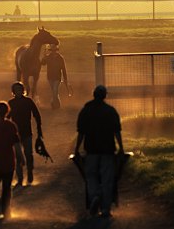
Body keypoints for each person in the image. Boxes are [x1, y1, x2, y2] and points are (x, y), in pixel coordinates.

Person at [74, 85, 124, 218]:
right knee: (107, 178)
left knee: (91, 176)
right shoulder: (110, 111)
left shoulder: (86, 110)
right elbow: (117, 131)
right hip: (107, 149)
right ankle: (106, 208)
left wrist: (77, 149)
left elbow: (81, 132)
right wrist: (121, 148)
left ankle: (95, 195)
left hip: (91, 150)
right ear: (105, 96)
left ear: (93, 95)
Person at [7, 81, 43, 187]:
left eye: (20, 89)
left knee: (28, 155)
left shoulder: (28, 101)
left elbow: (37, 115)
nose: (18, 91)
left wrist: (39, 129)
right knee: (18, 156)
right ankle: (20, 178)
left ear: (23, 91)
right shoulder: (11, 103)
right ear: (13, 91)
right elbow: (6, 118)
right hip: (15, 135)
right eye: (16, 90)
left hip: (27, 133)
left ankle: (30, 172)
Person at [41, 44, 68, 109]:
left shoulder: (60, 58)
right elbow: (43, 63)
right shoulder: (48, 57)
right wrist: (43, 58)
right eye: (52, 50)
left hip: (57, 77)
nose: (53, 52)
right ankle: (57, 104)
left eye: (55, 50)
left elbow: (64, 69)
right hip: (50, 77)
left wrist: (65, 78)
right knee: (54, 91)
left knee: (55, 90)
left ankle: (54, 104)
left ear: (56, 50)